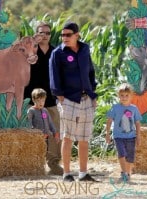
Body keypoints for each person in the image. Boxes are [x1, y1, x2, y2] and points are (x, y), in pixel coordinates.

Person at [49, 22, 98, 182]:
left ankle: (83, 173)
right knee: (67, 137)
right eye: (62, 35)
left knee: (84, 138)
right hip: (68, 99)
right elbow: (54, 77)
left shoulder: (84, 50)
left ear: (77, 35)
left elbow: (90, 71)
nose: (64, 38)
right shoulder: (58, 53)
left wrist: (93, 94)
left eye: (68, 35)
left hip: (86, 99)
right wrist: (60, 97)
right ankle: (67, 174)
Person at [24, 21, 63, 175]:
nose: (44, 36)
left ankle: (53, 164)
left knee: (55, 132)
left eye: (47, 33)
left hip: (50, 98)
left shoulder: (56, 52)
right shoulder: (29, 50)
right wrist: (31, 43)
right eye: (41, 33)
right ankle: (32, 163)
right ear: (36, 34)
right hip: (31, 97)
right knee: (32, 131)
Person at [105, 83, 142, 182]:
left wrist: (138, 136)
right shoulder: (115, 108)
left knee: (130, 156)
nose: (124, 98)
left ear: (131, 96)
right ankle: (124, 172)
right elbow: (109, 121)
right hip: (118, 136)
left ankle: (128, 173)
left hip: (131, 136)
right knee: (122, 153)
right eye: (122, 95)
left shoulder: (134, 109)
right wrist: (107, 134)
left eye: (126, 95)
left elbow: (137, 123)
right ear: (118, 96)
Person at [27, 88, 60, 170]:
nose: (41, 103)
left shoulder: (45, 111)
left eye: (43, 100)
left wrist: (55, 132)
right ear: (34, 100)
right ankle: (34, 167)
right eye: (39, 101)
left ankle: (41, 167)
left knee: (43, 151)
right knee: (35, 151)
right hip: (36, 136)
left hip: (45, 136)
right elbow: (29, 122)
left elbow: (50, 123)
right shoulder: (31, 111)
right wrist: (33, 131)